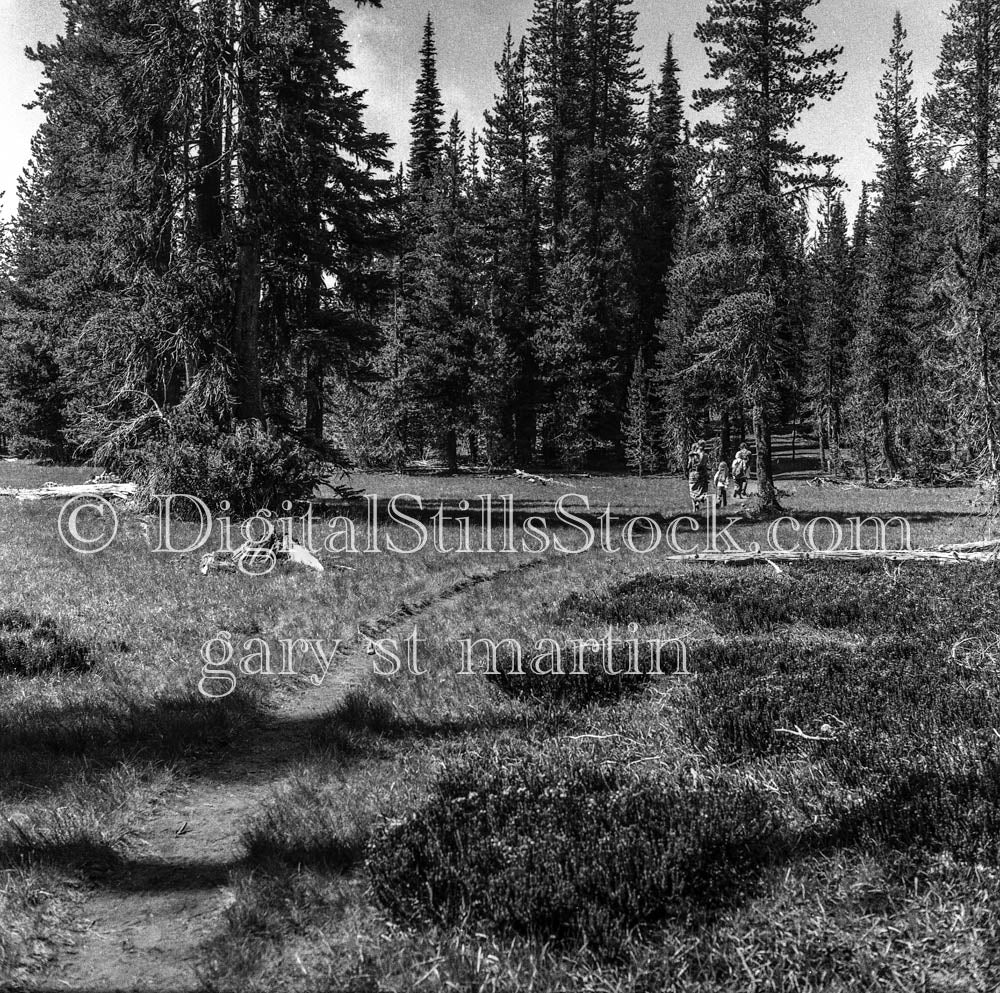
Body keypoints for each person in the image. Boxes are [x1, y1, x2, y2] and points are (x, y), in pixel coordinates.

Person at [687, 443, 707, 512]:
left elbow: (689, 465)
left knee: (692, 491)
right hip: (701, 474)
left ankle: (696, 504)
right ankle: (697, 505)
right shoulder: (704, 455)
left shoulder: (692, 455)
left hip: (693, 473)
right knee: (698, 490)